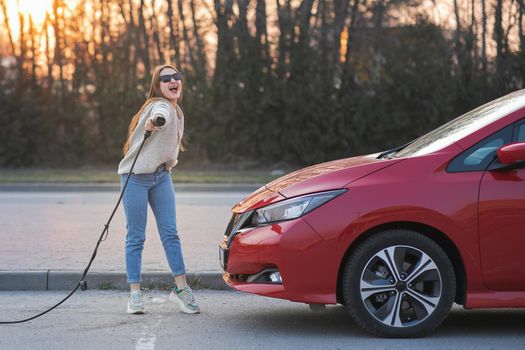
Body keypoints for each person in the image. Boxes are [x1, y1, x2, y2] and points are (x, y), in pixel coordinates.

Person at [117, 64, 199, 315]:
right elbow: (159, 115)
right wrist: (155, 122)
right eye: (166, 79)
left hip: (161, 177)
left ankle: (181, 290)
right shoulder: (159, 107)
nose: (173, 80)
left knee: (170, 234)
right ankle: (134, 294)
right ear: (158, 86)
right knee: (136, 237)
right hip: (135, 179)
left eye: (177, 77)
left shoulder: (178, 111)